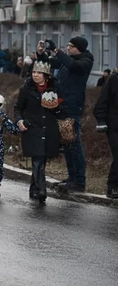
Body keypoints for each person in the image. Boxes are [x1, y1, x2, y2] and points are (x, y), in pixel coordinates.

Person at [15, 61, 67, 204]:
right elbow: (18, 107)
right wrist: (20, 121)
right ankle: (42, 189)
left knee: (42, 159)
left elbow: (63, 108)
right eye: (33, 72)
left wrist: (56, 107)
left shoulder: (55, 87)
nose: (35, 75)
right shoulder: (27, 88)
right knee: (37, 159)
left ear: (46, 75)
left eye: (38, 73)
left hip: (49, 129)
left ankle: (34, 188)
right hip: (32, 128)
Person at [50, 36, 94, 193]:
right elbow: (54, 63)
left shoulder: (85, 61)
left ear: (79, 48)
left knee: (74, 143)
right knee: (67, 143)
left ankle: (79, 181)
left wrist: (57, 50)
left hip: (72, 107)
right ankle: (72, 177)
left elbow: (73, 66)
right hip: (62, 105)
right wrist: (43, 54)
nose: (67, 48)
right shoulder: (70, 59)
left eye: (70, 46)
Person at [93, 68, 118, 198]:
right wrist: (101, 119)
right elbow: (103, 99)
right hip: (114, 124)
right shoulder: (114, 78)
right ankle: (112, 186)